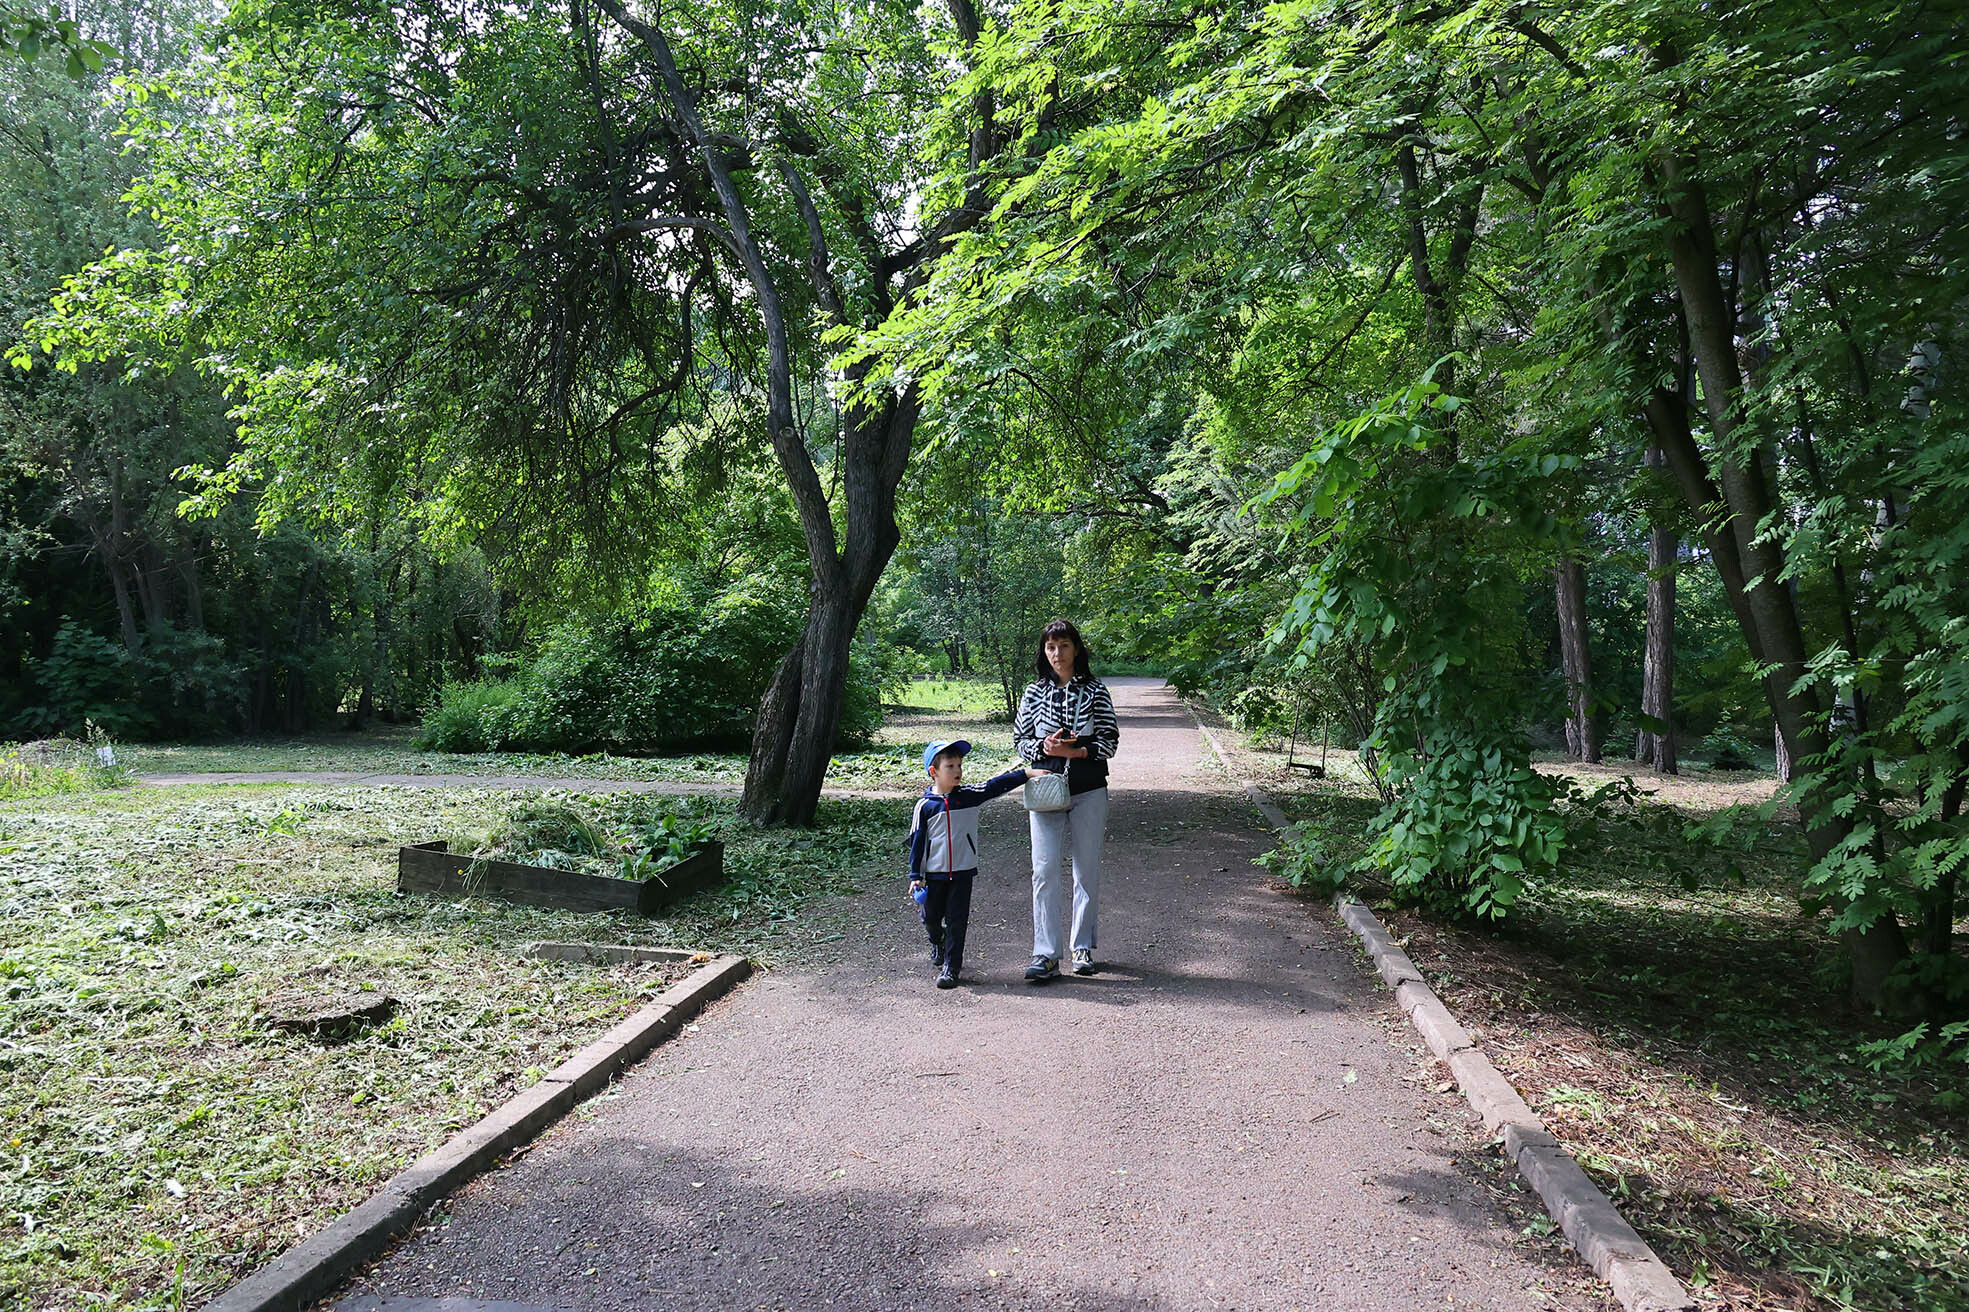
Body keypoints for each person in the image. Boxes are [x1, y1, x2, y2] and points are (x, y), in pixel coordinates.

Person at [1012, 618, 1120, 982]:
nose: (1057, 654)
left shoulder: (1096, 691)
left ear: (1076, 649)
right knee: (1043, 871)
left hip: (1088, 788)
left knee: (1085, 870)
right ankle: (1045, 953)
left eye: (1064, 646)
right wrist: (1044, 747)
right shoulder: (1032, 693)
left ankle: (1082, 948)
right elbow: (1020, 740)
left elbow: (1110, 741)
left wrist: (1078, 752)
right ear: (1044, 652)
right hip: (1045, 789)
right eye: (1050, 647)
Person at [906, 740, 1047, 989]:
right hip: (934, 876)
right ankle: (936, 940)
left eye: (960, 765)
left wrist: (1026, 773)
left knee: (957, 921)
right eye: (950, 766)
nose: (958, 770)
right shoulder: (925, 806)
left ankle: (952, 967)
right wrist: (915, 875)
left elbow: (995, 786)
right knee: (931, 918)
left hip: (962, 872)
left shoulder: (968, 797)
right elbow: (917, 842)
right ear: (934, 772)